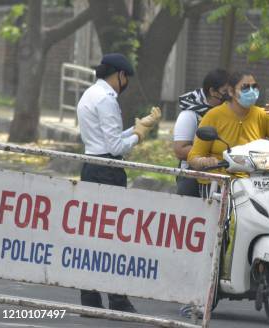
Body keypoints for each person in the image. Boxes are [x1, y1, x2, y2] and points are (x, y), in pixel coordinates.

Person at [187, 70, 269, 325]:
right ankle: (201, 297)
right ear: (232, 91)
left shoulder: (261, 115)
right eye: (245, 86)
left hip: (258, 184)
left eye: (255, 86)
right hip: (223, 186)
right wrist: (208, 161)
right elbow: (193, 156)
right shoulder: (214, 115)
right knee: (217, 236)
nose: (251, 91)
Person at [76, 53, 161, 313]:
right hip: (108, 171)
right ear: (120, 75)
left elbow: (105, 140)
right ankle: (118, 300)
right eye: (126, 79)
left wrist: (138, 127)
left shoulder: (90, 94)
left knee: (92, 234)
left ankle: (89, 299)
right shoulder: (107, 99)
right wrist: (138, 135)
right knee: (114, 236)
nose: (126, 84)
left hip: (91, 166)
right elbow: (114, 147)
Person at [174, 68, 229, 197]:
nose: (229, 96)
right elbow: (179, 150)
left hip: (223, 174)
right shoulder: (190, 114)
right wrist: (209, 155)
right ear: (213, 91)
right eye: (225, 92)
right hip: (193, 176)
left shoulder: (228, 114)